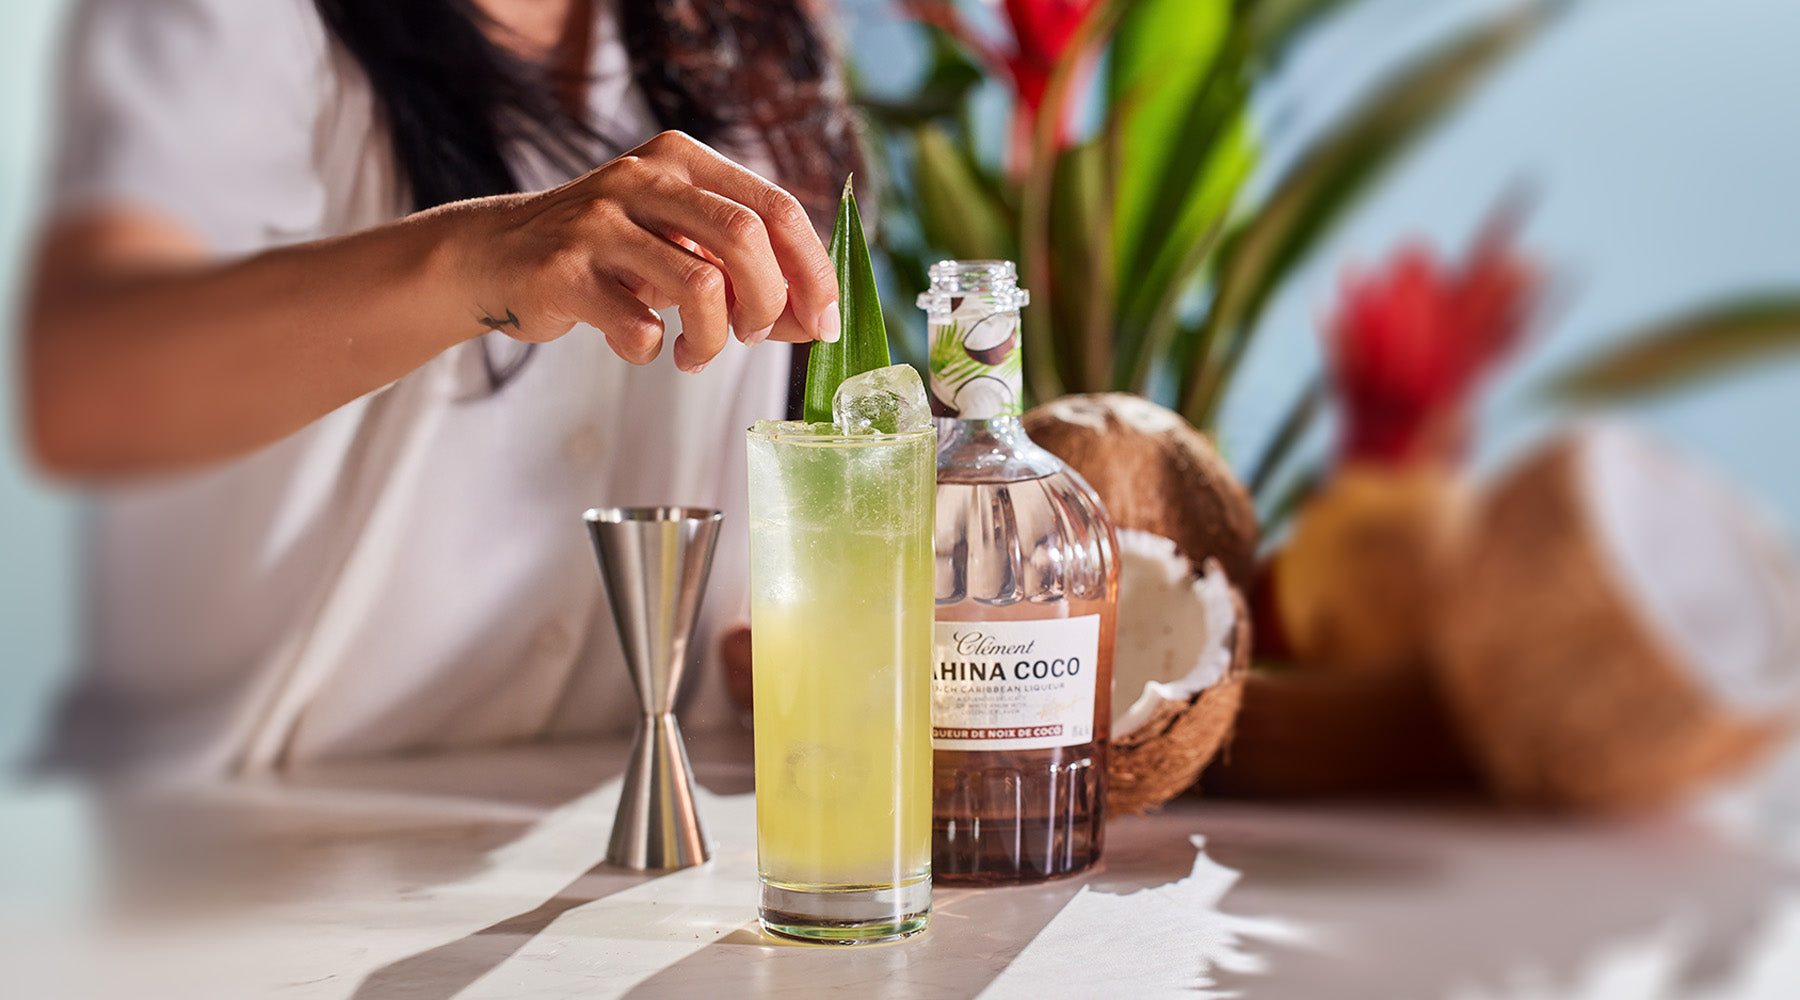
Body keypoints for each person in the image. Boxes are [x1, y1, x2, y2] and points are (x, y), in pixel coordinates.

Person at [22, 0, 862, 778]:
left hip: (616, 852)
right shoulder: (240, 22)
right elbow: (81, 387)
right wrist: (472, 259)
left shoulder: (749, 28)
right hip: (228, 849)